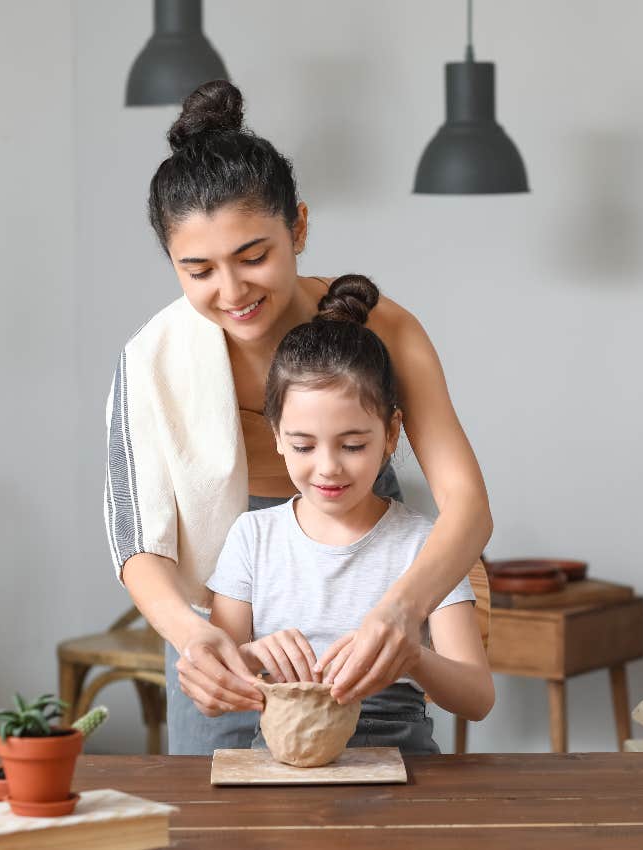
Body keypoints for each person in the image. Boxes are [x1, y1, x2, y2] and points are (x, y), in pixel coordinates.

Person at [104, 79, 493, 755]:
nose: (231, 292)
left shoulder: (388, 332)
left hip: (362, 527)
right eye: (198, 271)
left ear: (300, 228)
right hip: (220, 580)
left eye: (254, 256)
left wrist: (402, 611)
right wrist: (198, 638)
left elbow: (468, 507)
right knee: (220, 777)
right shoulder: (152, 361)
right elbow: (139, 540)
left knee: (378, 746)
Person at [206, 275, 495, 753]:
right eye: (303, 445)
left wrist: (412, 659)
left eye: (354, 445)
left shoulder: (423, 545)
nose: (328, 468)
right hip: (284, 763)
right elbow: (213, 690)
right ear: (276, 435)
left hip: (402, 760)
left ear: (391, 433)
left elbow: (478, 698)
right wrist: (252, 655)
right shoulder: (252, 538)